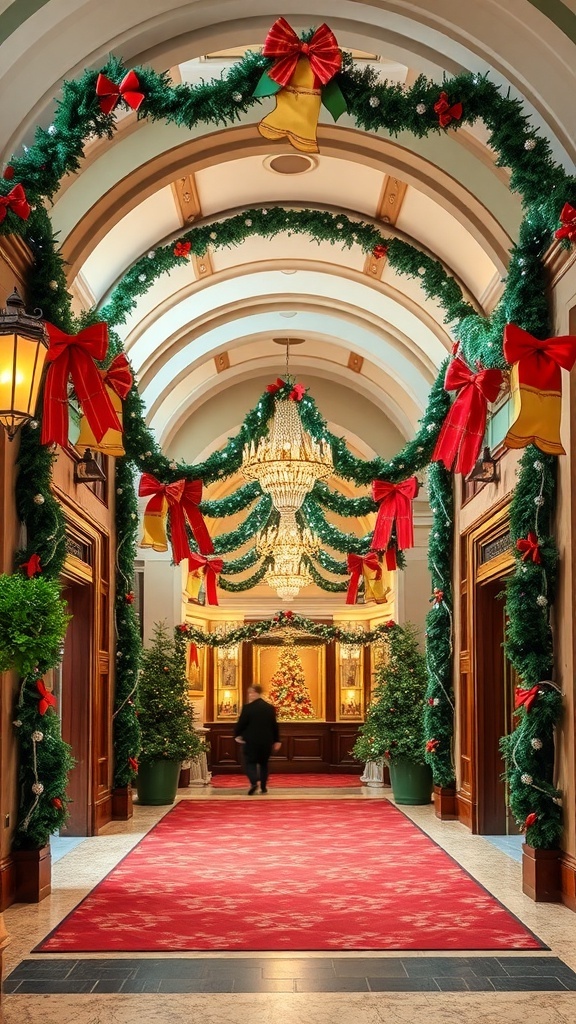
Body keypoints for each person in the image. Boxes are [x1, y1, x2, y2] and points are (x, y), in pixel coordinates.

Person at [234, 684, 281, 794]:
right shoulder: (269, 708)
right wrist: (277, 740)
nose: (250, 695)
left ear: (256, 693)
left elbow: (241, 724)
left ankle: (254, 782)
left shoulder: (248, 708)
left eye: (251, 693)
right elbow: (274, 725)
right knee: (264, 764)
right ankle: (263, 787)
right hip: (266, 741)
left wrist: (237, 734)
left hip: (251, 741)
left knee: (250, 763)